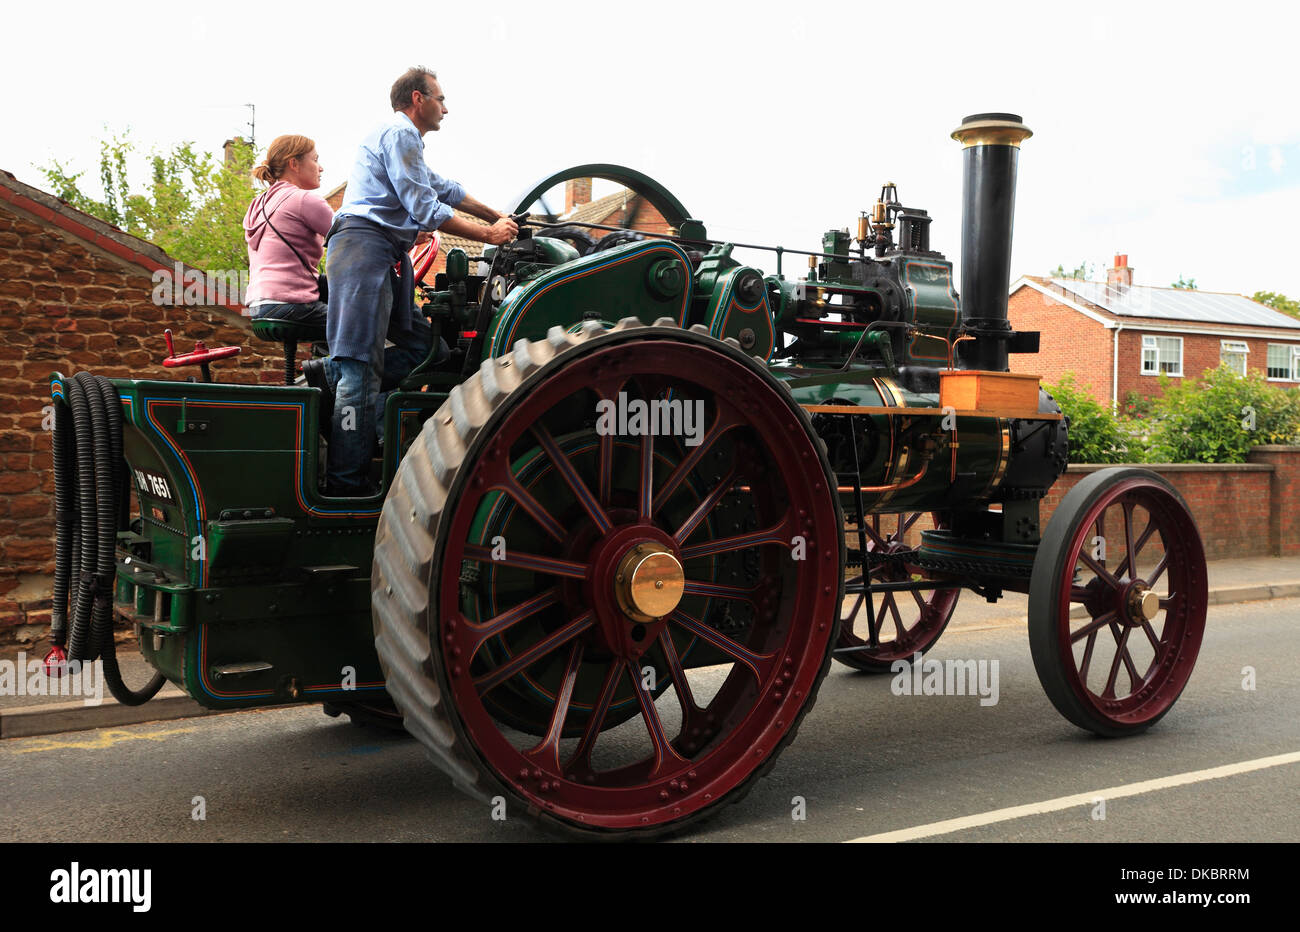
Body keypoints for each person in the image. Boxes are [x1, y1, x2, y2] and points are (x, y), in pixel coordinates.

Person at [323, 66, 517, 496]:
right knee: (359, 372)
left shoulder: (405, 145)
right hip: (362, 250)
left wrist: (498, 216)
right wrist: (488, 236)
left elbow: (445, 189)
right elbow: (427, 209)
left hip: (386, 257)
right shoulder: (400, 134)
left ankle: (330, 375)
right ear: (417, 99)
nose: (445, 109)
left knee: (429, 352)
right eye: (440, 99)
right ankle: (346, 487)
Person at [243, 135, 333, 325]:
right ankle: (330, 357)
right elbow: (353, 237)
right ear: (294, 163)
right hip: (292, 302)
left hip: (258, 306)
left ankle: (326, 354)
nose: (321, 167)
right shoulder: (302, 199)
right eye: (315, 160)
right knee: (363, 325)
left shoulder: (258, 205)